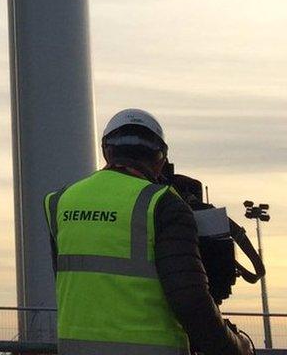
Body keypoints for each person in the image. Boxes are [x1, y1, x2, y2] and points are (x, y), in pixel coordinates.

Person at [44, 109, 253, 355]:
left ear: (105, 151)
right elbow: (190, 301)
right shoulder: (164, 203)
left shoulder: (59, 201)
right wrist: (236, 346)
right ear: (160, 159)